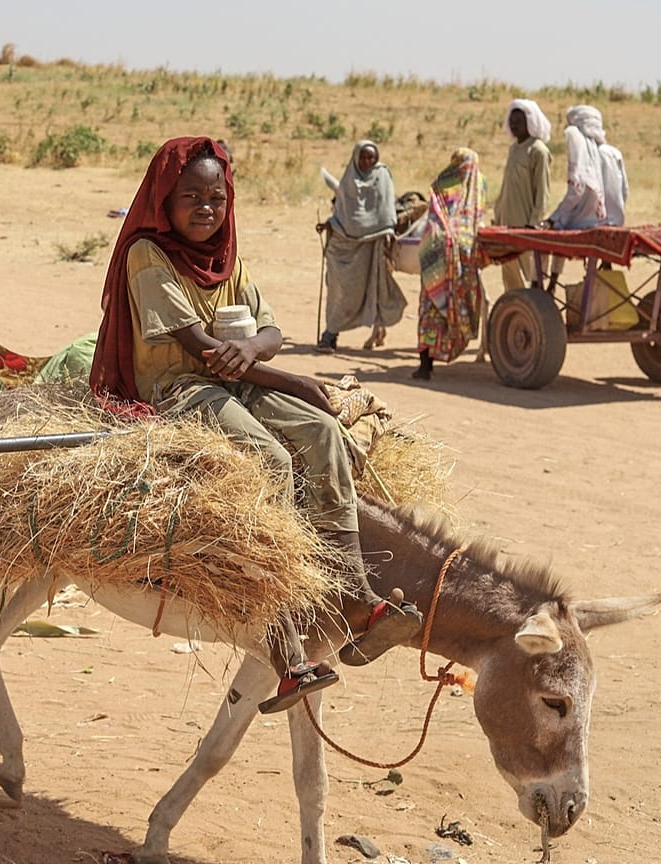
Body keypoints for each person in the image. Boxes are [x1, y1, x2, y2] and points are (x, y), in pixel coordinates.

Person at [90, 137, 422, 714]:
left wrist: (259, 357)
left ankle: (357, 597)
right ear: (163, 201)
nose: (205, 209)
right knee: (266, 457)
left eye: (215, 197)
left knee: (324, 434)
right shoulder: (149, 254)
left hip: (234, 378)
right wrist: (283, 376)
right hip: (179, 388)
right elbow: (200, 348)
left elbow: (270, 334)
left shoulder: (228, 255)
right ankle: (282, 633)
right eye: (189, 197)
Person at [317, 140, 407, 352]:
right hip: (347, 248)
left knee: (373, 290)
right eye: (364, 157)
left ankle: (351, 333)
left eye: (371, 158)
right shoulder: (349, 181)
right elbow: (343, 213)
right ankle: (330, 335)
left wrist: (387, 232)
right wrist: (328, 224)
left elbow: (386, 212)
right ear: (356, 158)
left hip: (373, 246)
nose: (368, 162)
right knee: (342, 292)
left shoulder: (382, 176)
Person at [414, 148, 487, 381]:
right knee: (431, 310)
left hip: (463, 261)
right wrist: (448, 239)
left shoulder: (478, 186)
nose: (466, 172)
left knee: (443, 311)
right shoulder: (445, 184)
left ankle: (432, 361)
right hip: (440, 257)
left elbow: (476, 218)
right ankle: (425, 364)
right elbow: (435, 219)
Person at [493, 99, 552, 291]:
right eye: (512, 120)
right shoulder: (513, 150)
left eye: (519, 120)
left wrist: (534, 223)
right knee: (510, 277)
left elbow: (543, 191)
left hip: (525, 225)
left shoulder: (538, 151)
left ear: (530, 122)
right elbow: (506, 187)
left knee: (532, 277)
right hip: (506, 224)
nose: (514, 125)